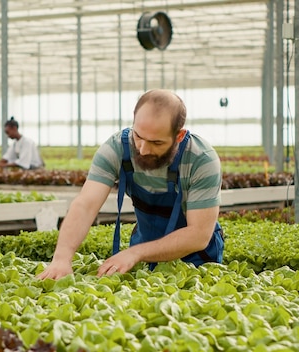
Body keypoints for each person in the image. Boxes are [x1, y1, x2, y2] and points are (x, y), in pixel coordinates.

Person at [36, 89, 224, 280]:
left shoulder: (202, 160)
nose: (143, 150)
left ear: (179, 136)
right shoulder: (116, 149)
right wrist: (61, 258)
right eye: (139, 136)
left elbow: (198, 235)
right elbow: (85, 205)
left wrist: (135, 253)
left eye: (156, 143)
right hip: (144, 250)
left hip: (196, 259)